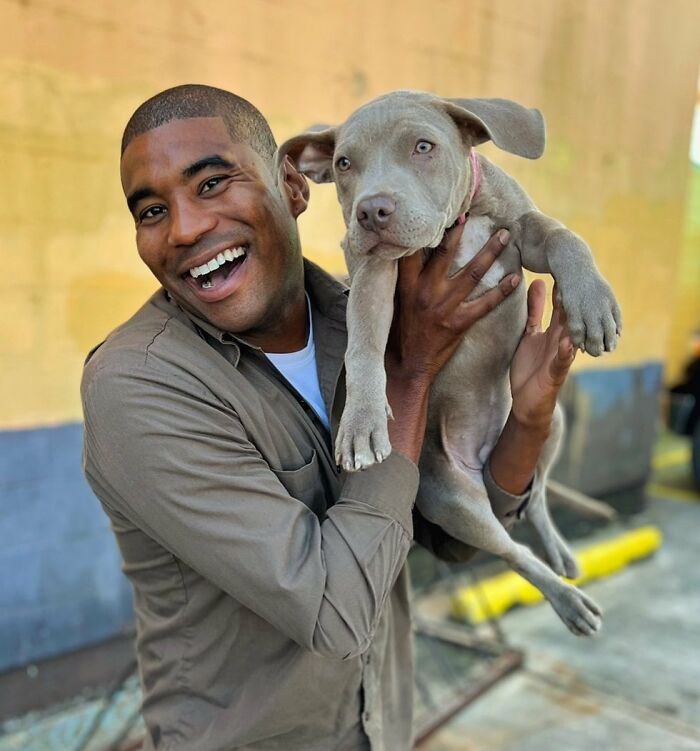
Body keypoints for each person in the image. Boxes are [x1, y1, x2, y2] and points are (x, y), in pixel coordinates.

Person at [81, 84, 578, 751]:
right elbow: (336, 611)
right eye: (150, 209)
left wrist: (530, 417)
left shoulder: (364, 319)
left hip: (386, 731)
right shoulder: (138, 386)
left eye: (213, 183)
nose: (185, 228)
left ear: (293, 185)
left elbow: (446, 536)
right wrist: (410, 371)